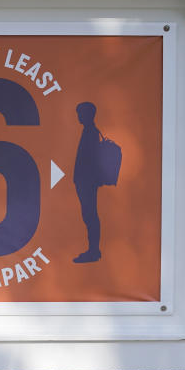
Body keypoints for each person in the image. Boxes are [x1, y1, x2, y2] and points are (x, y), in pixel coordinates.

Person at [72, 101, 121, 263]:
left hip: (87, 182)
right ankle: (93, 250)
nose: (78, 116)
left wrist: (82, 178)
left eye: (80, 113)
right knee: (89, 215)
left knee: (90, 215)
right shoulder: (89, 131)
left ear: (87, 114)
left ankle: (93, 251)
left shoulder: (90, 133)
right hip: (86, 181)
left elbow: (88, 159)